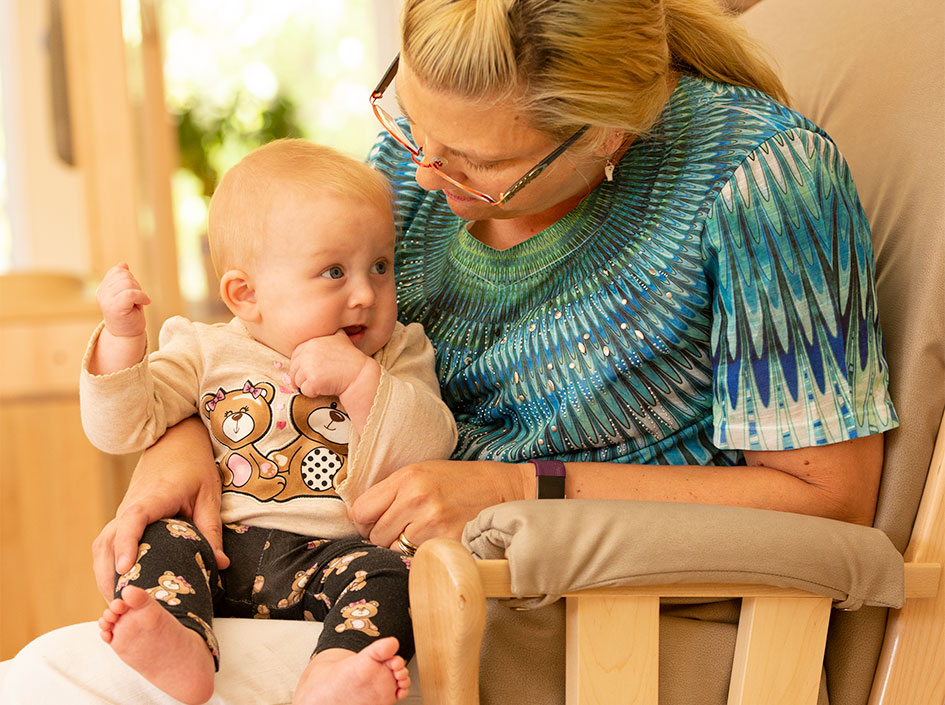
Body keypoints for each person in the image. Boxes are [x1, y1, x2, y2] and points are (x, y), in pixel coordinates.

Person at [3, 1, 898, 703]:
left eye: (472, 162)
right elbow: (278, 337)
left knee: (64, 682)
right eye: (408, 124)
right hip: (378, 582)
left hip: (595, 622)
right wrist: (188, 438)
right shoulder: (415, 173)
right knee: (58, 670)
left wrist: (519, 487)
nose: (426, 175)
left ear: (607, 133)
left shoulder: (758, 177)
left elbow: (828, 497)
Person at [78, 139, 457, 705]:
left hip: (335, 557)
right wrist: (123, 341)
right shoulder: (203, 350)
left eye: (380, 266)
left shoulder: (396, 354)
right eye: (334, 272)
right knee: (162, 538)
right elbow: (124, 428)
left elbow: (431, 446)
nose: (365, 293)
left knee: (395, 574)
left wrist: (359, 382)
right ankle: (180, 642)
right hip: (221, 552)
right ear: (246, 293)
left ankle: (337, 673)